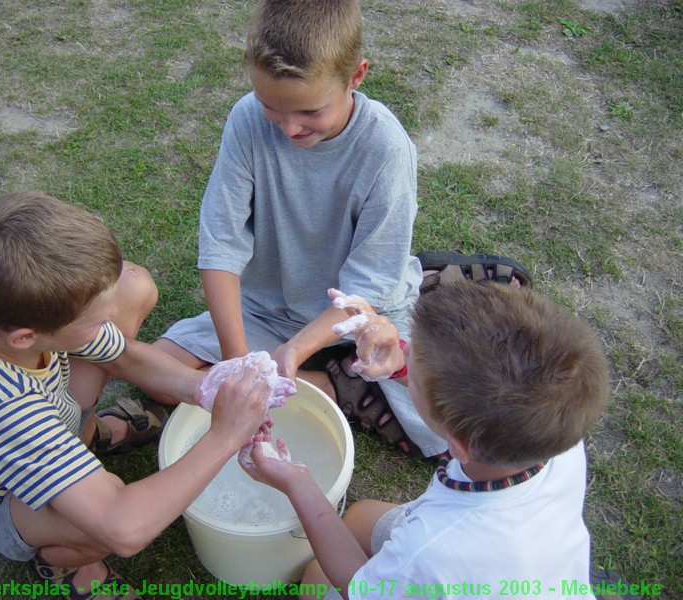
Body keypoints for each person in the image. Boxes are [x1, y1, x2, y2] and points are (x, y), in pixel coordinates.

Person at [154, 0, 530, 459]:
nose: (289, 127)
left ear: (356, 76)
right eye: (272, 107)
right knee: (166, 376)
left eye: (309, 112)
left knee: (450, 433)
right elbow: (221, 246)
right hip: (268, 308)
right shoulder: (247, 120)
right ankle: (345, 377)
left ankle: (355, 373)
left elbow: (367, 284)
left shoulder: (385, 149)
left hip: (363, 312)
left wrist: (293, 352)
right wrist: (238, 362)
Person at [0, 192, 288, 600]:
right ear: (26, 337)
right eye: (95, 319)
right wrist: (226, 435)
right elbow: (125, 529)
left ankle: (84, 436)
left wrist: (204, 388)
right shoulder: (1, 408)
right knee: (106, 514)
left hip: (34, 421)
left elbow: (121, 353)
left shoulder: (0, 311)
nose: (109, 319)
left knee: (132, 287)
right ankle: (67, 563)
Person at [241, 281, 609, 599]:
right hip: (524, 563)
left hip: (451, 571)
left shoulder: (433, 550)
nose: (404, 352)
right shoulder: (553, 433)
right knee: (360, 517)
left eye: (410, 372)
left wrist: (298, 482)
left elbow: (357, 588)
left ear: (458, 444)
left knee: (319, 577)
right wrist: (400, 364)